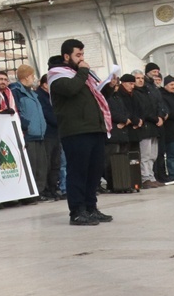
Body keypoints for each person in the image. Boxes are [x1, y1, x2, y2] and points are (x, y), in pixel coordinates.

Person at [48, 40, 113, 226]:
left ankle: (91, 208)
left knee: (93, 172)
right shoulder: (56, 74)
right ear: (66, 56)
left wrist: (108, 87)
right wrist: (84, 71)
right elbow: (71, 90)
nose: (82, 59)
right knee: (78, 171)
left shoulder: (80, 75)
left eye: (83, 55)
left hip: (93, 128)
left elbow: (92, 98)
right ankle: (77, 211)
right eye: (78, 55)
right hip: (75, 130)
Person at [11, 65, 50, 196]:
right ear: (26, 76)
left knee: (42, 166)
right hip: (29, 134)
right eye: (32, 76)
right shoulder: (16, 91)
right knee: (32, 165)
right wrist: (25, 126)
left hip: (39, 134)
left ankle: (40, 191)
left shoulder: (32, 92)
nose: (34, 78)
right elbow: (16, 111)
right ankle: (32, 193)